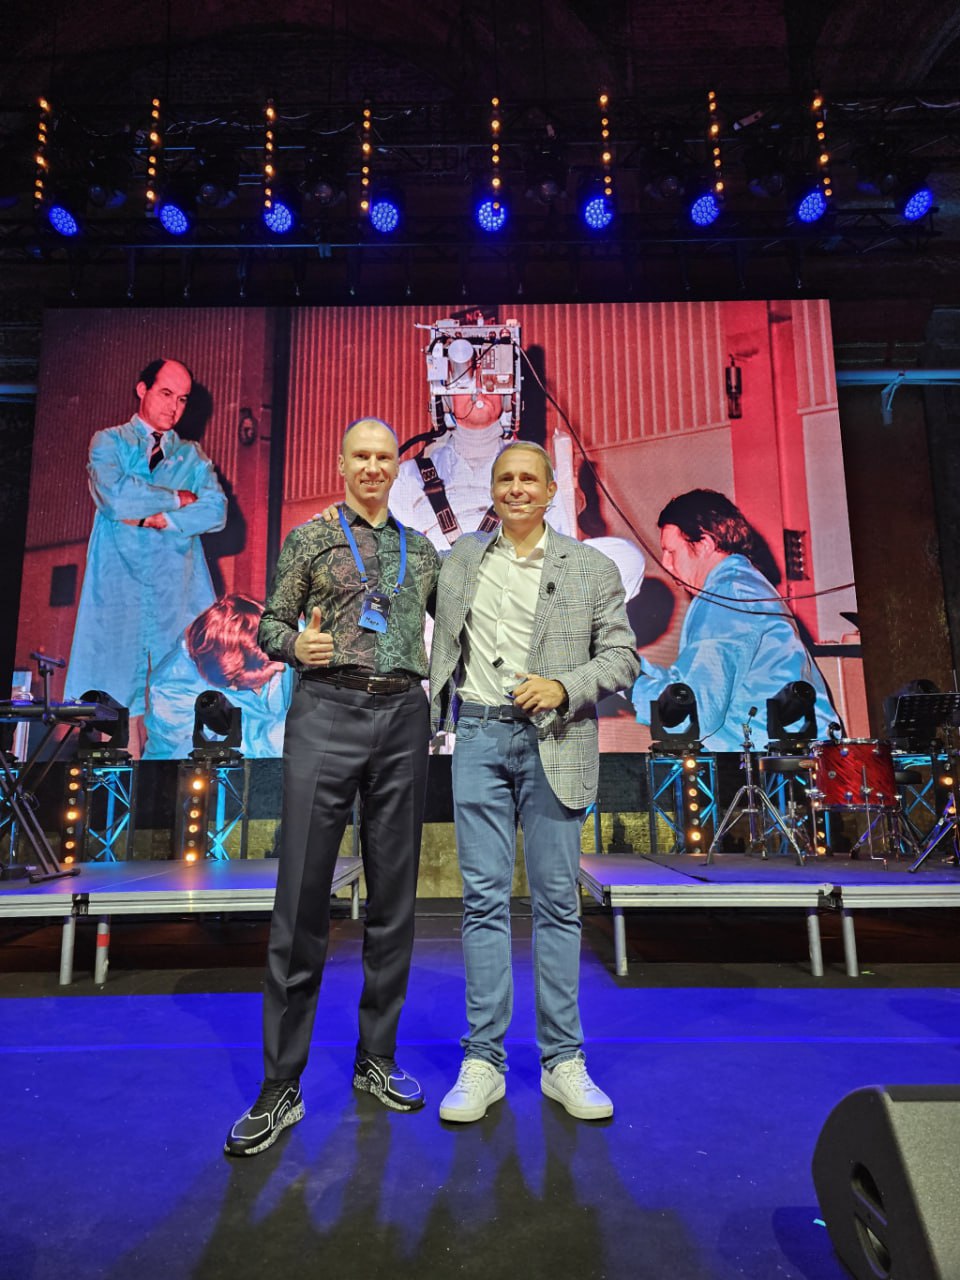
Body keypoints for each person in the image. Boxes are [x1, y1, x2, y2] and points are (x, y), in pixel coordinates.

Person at [225, 417, 440, 1157]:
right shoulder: (311, 537)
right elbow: (269, 625)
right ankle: (280, 1085)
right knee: (302, 898)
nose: (374, 467)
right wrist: (296, 644)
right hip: (326, 711)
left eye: (384, 457)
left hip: (403, 715)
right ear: (341, 463)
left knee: (395, 899)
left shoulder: (422, 549)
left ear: (395, 468)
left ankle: (376, 1058)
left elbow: (461, 628)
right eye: (361, 457)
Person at [429, 440, 639, 1123]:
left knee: (557, 904)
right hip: (479, 736)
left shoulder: (590, 567)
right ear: (492, 491)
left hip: (556, 739)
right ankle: (483, 1062)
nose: (516, 488)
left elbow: (623, 657)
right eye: (505, 479)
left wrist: (564, 686)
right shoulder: (460, 559)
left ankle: (563, 1061)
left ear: (551, 491)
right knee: (482, 903)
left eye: (529, 478)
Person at [64, 359, 227, 737]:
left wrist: (161, 520)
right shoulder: (109, 442)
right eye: (166, 394)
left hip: (176, 594)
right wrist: (177, 499)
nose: (174, 407)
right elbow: (117, 497)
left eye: (182, 399)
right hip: (119, 592)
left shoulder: (192, 456)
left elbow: (216, 510)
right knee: (114, 716)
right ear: (142, 389)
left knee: (180, 707)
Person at [632, 489, 838, 752]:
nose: (666, 564)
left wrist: (628, 684)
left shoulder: (727, 595)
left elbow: (694, 711)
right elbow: (689, 685)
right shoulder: (744, 585)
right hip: (789, 756)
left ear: (705, 544)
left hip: (773, 766)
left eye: (671, 552)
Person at [143, 594, 293, 760]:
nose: (281, 667)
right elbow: (243, 747)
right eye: (268, 666)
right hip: (188, 770)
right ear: (231, 674)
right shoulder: (171, 691)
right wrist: (307, 728)